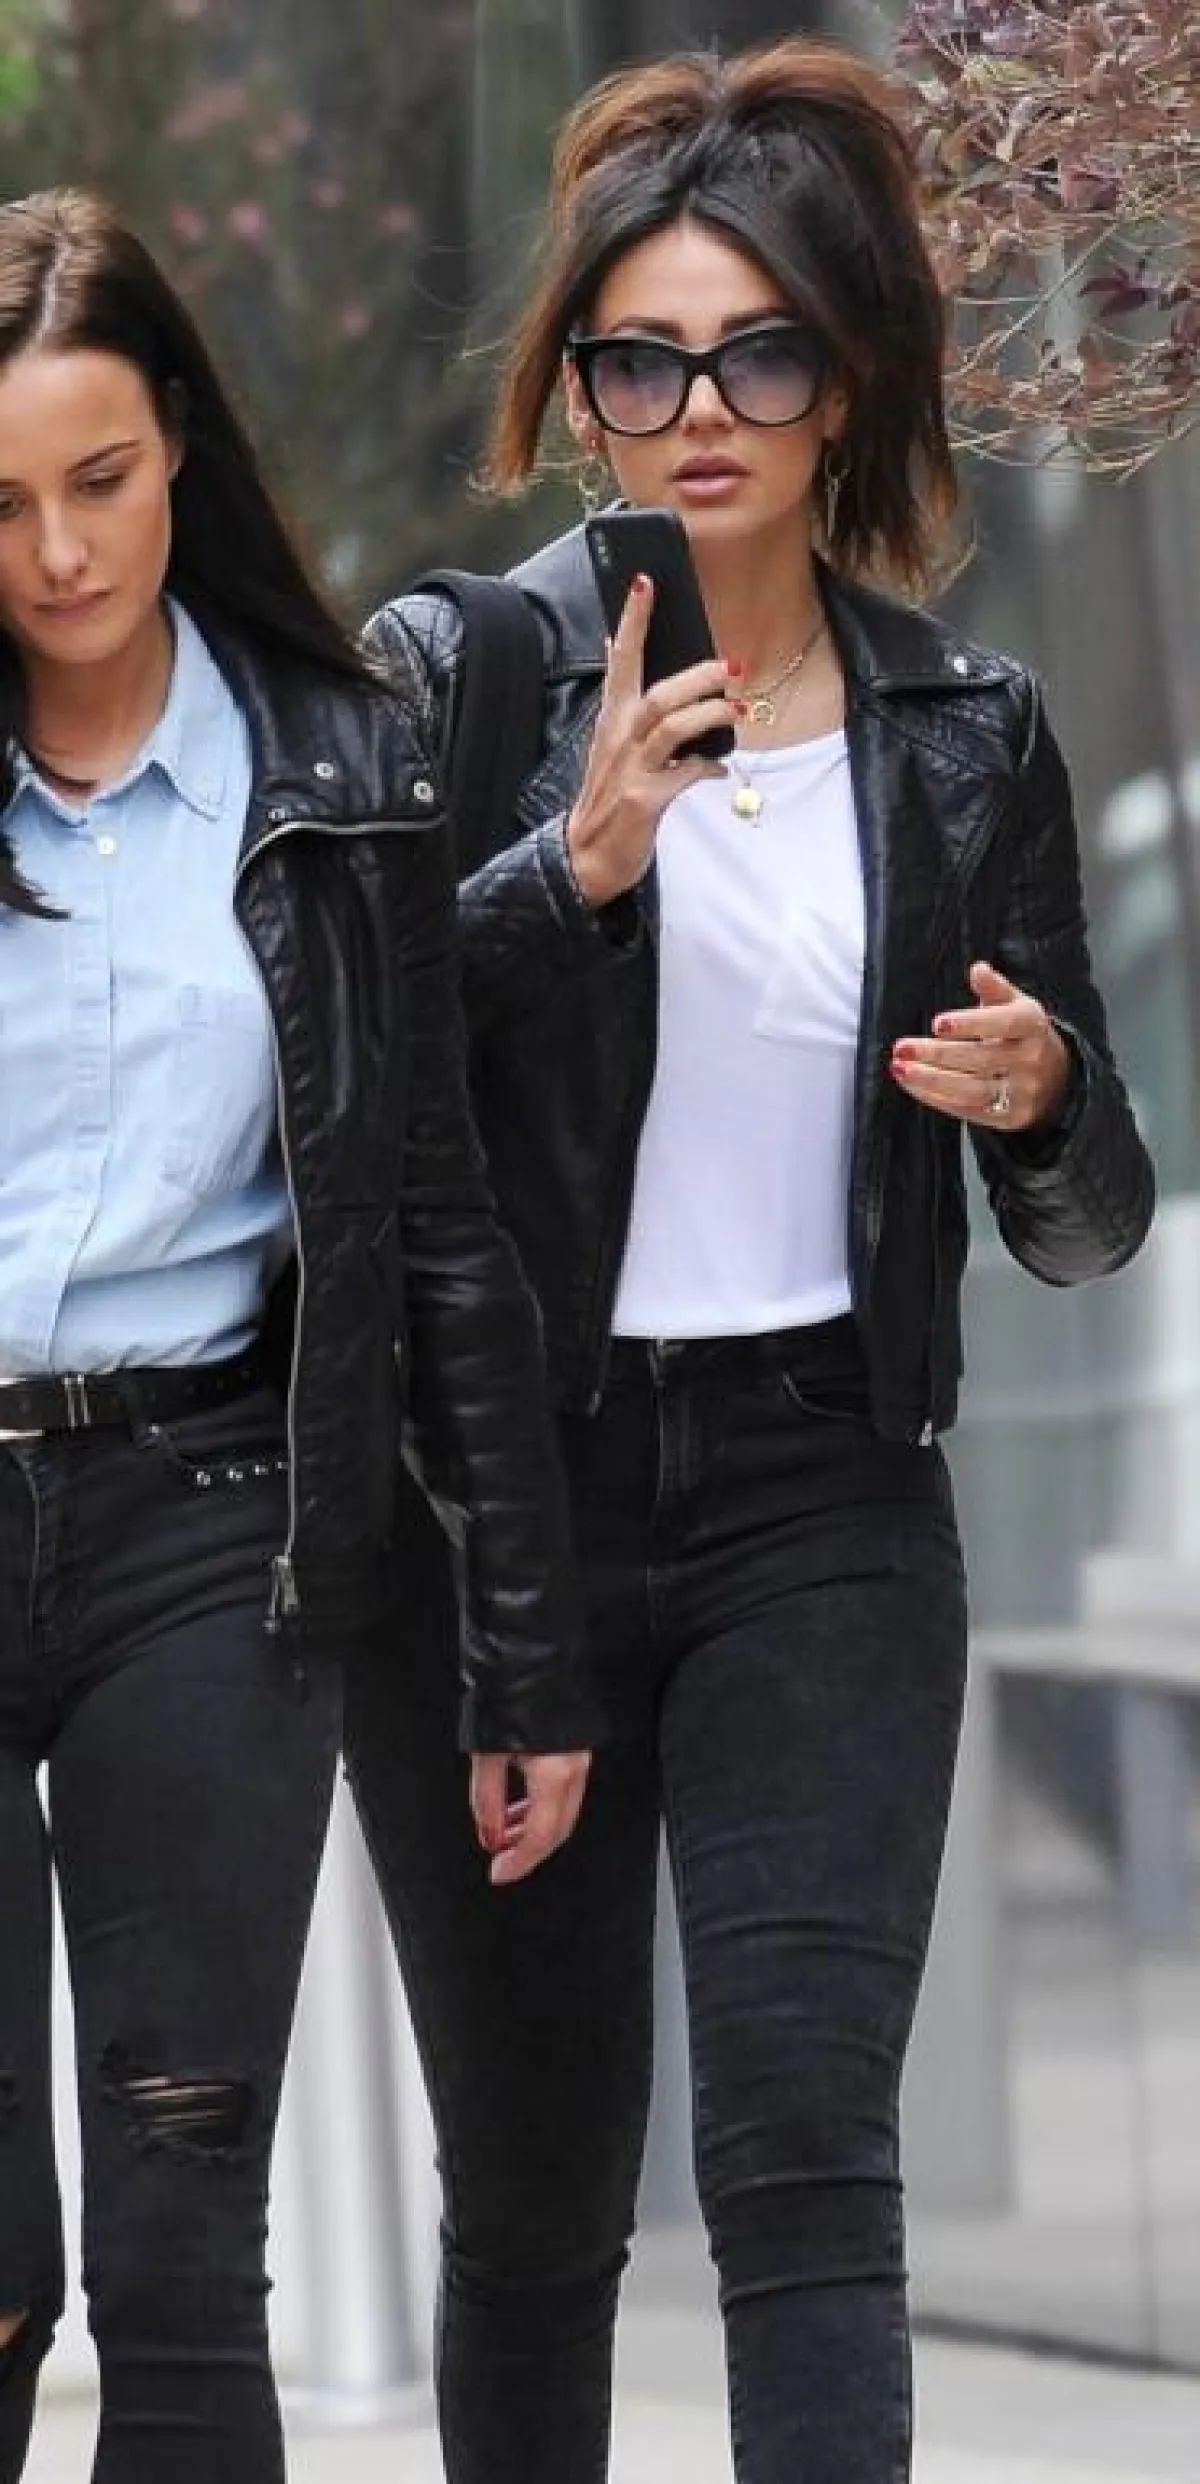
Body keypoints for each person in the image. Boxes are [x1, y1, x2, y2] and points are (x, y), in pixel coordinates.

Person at [352, 36, 1155, 2484]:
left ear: (849, 381)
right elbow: (343, 1097)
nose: (701, 412)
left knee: (810, 2165)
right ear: (580, 387)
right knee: (537, 2201)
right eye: (644, 361)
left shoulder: (965, 731)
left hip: (826, 1492)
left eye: (760, 356)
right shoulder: (461, 681)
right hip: (507, 1510)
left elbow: (1088, 1222)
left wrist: (1047, 1096)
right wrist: (565, 870)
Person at [0, 188, 596, 2484]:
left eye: (99, 478)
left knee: (178, 2249)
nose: (58, 553)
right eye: (2, 505)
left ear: (181, 444)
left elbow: (433, 1221)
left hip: (203, 1530)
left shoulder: (337, 767)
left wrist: (520, 1654)